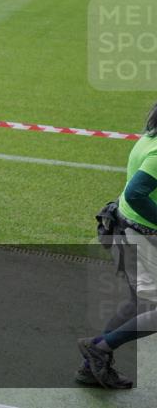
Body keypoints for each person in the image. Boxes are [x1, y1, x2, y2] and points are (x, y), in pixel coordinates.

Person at [77, 101, 157, 390]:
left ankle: (92, 364)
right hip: (138, 236)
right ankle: (100, 349)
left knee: (140, 304)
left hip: (124, 228)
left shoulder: (151, 136)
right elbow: (137, 194)